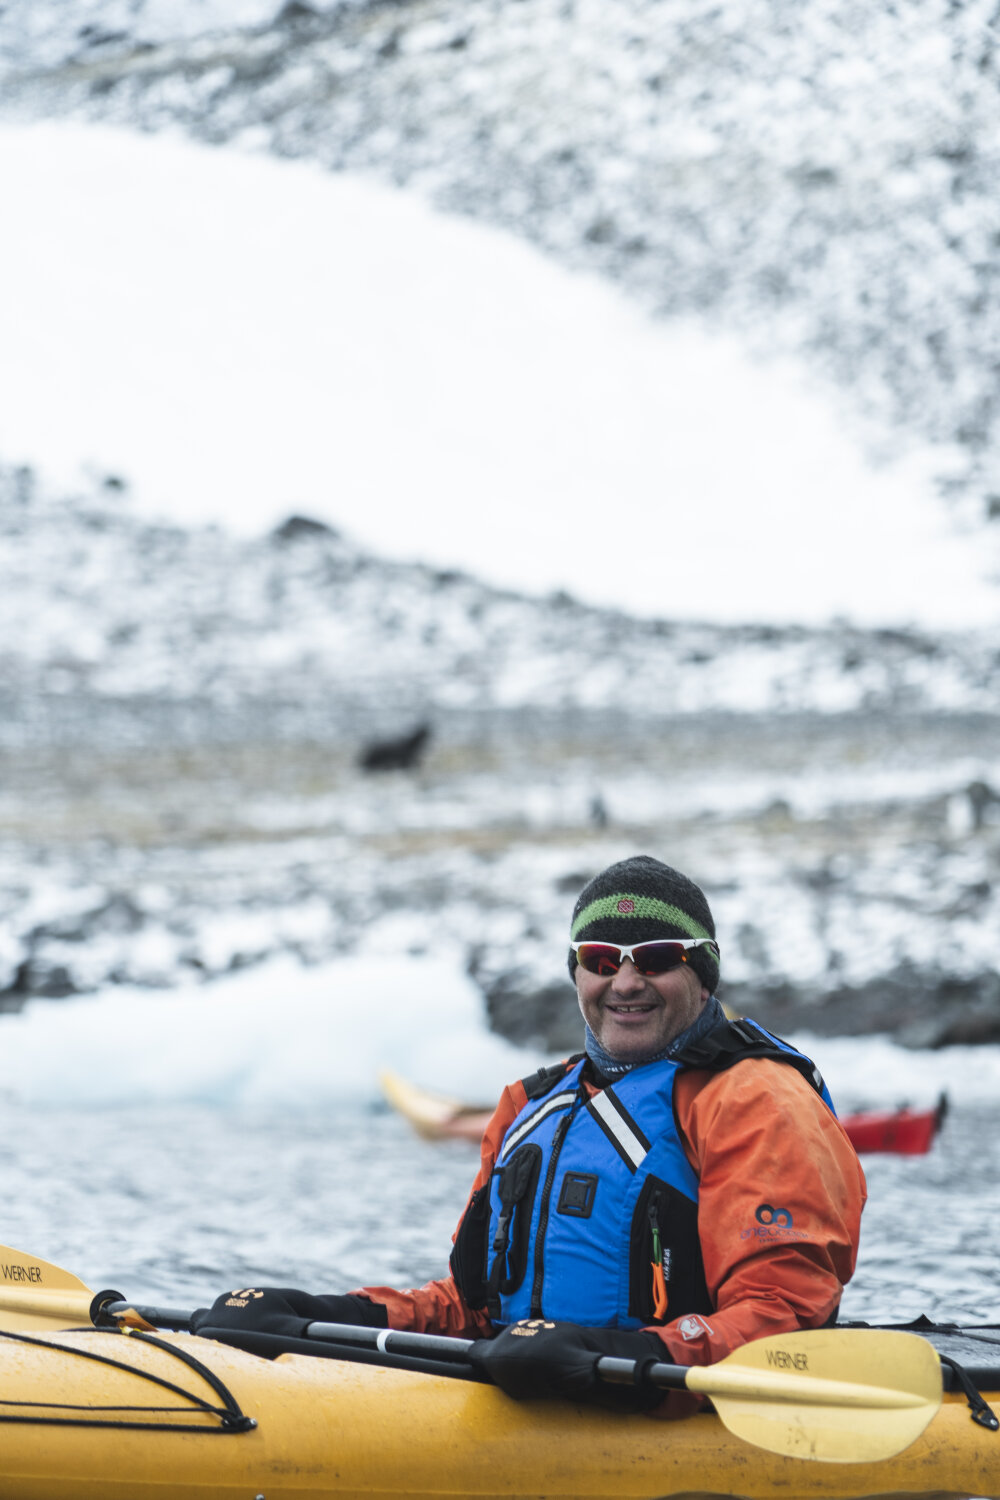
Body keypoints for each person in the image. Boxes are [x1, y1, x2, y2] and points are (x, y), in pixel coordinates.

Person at [191, 856, 866, 1410]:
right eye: (601, 960)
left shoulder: (756, 1098)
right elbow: (473, 1307)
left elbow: (784, 1318)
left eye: (655, 958)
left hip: (671, 1403)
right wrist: (329, 1314)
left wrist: (632, 1360)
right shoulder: (529, 1104)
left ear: (700, 971)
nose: (625, 982)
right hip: (533, 1384)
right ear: (577, 971)